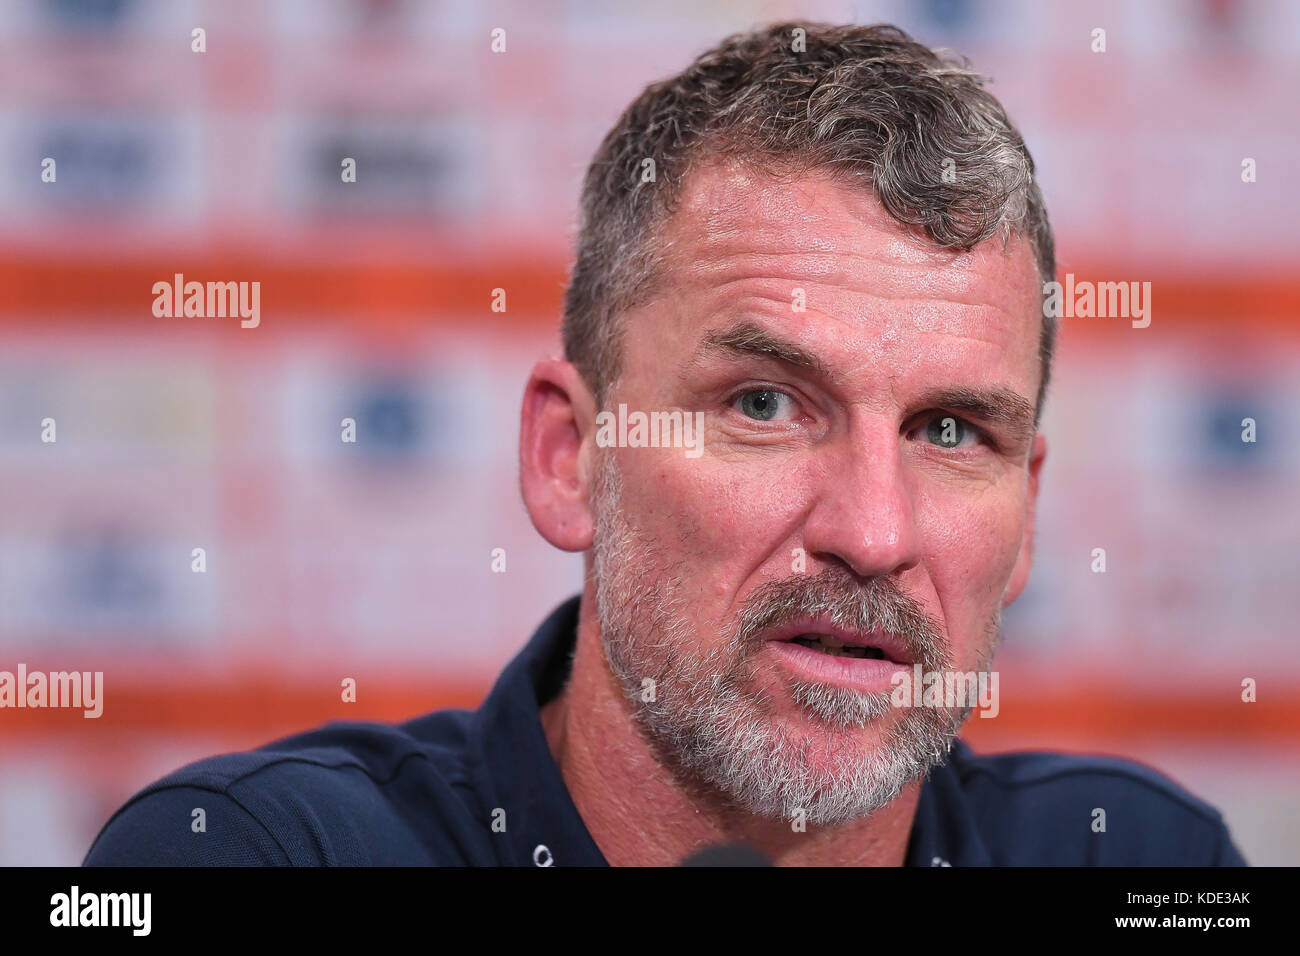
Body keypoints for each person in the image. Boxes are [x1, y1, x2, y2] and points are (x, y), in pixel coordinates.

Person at [85, 21, 1246, 866]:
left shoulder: (1140, 860)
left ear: (1027, 513)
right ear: (567, 457)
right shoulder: (259, 854)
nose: (872, 532)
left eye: (950, 430)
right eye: (764, 405)